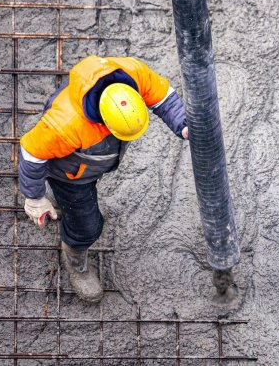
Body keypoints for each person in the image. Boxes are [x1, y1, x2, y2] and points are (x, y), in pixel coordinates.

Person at [18, 55, 188, 302]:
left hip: (88, 162)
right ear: (104, 121)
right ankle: (76, 261)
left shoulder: (133, 74)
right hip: (70, 175)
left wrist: (183, 123)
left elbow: (163, 96)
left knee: (73, 203)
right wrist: (34, 198)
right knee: (88, 226)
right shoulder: (65, 125)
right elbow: (31, 153)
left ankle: (56, 198)